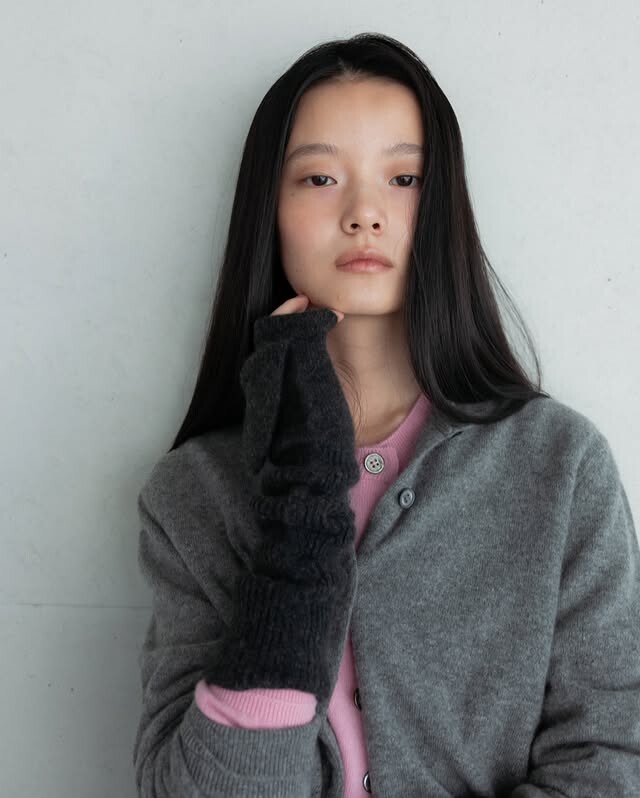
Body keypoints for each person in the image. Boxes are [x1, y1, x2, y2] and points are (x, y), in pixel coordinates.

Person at [132, 32, 640, 796]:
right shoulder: (191, 495)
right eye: (319, 178)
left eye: (404, 178)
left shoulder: (559, 468)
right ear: (269, 210)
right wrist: (300, 512)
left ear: (444, 207)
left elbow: (610, 760)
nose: (364, 213)